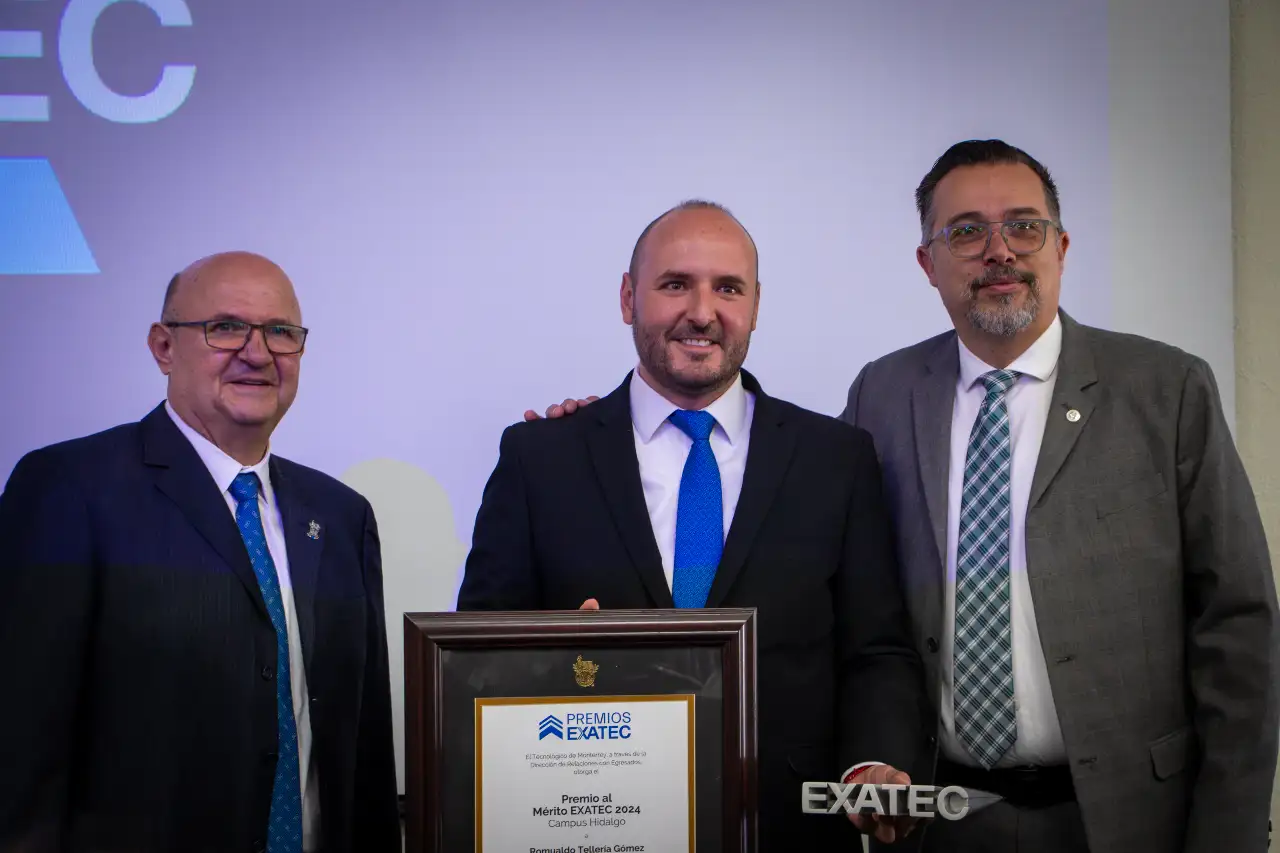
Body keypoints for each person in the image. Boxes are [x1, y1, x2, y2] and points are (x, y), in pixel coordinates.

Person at [529, 141, 1280, 853]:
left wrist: (1233, 833)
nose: (1000, 251)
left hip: (1124, 818)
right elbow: (855, 606)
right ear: (928, 261)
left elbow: (1237, 628)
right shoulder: (883, 396)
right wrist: (600, 436)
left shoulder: (1165, 390)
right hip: (935, 821)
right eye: (966, 232)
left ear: (1061, 245)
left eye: (1024, 226)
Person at [457, 200, 931, 848]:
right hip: (592, 823)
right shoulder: (540, 458)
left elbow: (876, 649)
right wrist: (553, 663)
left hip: (786, 830)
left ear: (756, 305)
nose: (703, 312)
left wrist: (871, 761)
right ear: (628, 297)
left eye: (728, 288)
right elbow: (474, 662)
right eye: (675, 284)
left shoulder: (837, 459)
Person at [0, 252, 402, 853]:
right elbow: (19, 743)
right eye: (226, 327)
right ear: (164, 347)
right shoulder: (70, 488)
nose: (258, 352)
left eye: (281, 333)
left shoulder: (342, 515)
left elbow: (364, 749)